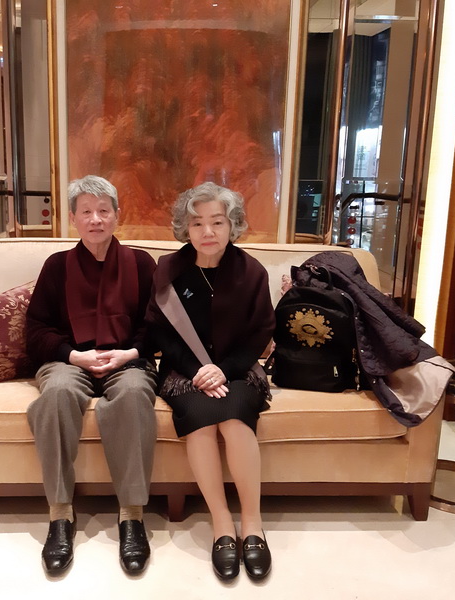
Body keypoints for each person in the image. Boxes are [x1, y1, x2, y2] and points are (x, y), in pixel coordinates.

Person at [25, 175, 158, 575]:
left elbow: (158, 325)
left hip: (127, 358)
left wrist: (129, 353)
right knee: (56, 395)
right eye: (86, 211)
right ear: (73, 218)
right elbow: (36, 330)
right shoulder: (57, 267)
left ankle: (131, 515)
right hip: (70, 360)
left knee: (133, 394)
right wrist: (74, 356)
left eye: (103, 210)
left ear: (117, 215)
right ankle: (60, 514)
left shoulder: (141, 264)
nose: (95, 219)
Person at [146, 182, 275, 581]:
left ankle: (252, 523)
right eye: (197, 223)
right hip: (184, 370)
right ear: (185, 228)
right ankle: (221, 524)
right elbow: (160, 331)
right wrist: (198, 370)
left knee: (234, 419)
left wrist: (225, 368)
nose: (207, 231)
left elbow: (261, 331)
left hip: (238, 368)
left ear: (232, 224)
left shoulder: (251, 272)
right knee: (201, 421)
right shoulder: (169, 270)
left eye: (217, 222)